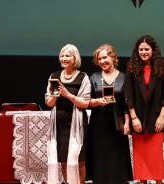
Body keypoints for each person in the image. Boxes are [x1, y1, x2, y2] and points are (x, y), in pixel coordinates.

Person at [124, 35, 164, 184]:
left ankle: (158, 182)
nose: (144, 52)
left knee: (155, 155)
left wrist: (162, 116)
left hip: (156, 118)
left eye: (147, 49)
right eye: (141, 49)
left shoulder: (163, 66)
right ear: (137, 51)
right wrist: (133, 118)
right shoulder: (131, 66)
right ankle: (142, 182)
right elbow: (128, 94)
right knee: (141, 155)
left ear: (153, 50)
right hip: (138, 118)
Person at [86, 44, 133, 183]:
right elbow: (86, 101)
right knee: (100, 158)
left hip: (117, 124)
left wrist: (127, 122)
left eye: (105, 57)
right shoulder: (93, 77)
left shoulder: (124, 77)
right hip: (98, 124)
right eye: (99, 59)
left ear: (113, 57)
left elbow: (127, 104)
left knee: (117, 160)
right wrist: (98, 101)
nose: (102, 61)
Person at [45, 44, 91, 184]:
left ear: (75, 58)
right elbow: (49, 103)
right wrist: (55, 95)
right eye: (62, 56)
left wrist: (67, 94)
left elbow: (85, 103)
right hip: (59, 125)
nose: (64, 58)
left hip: (77, 124)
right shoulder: (54, 76)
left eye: (67, 56)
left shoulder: (83, 77)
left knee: (79, 159)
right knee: (64, 160)